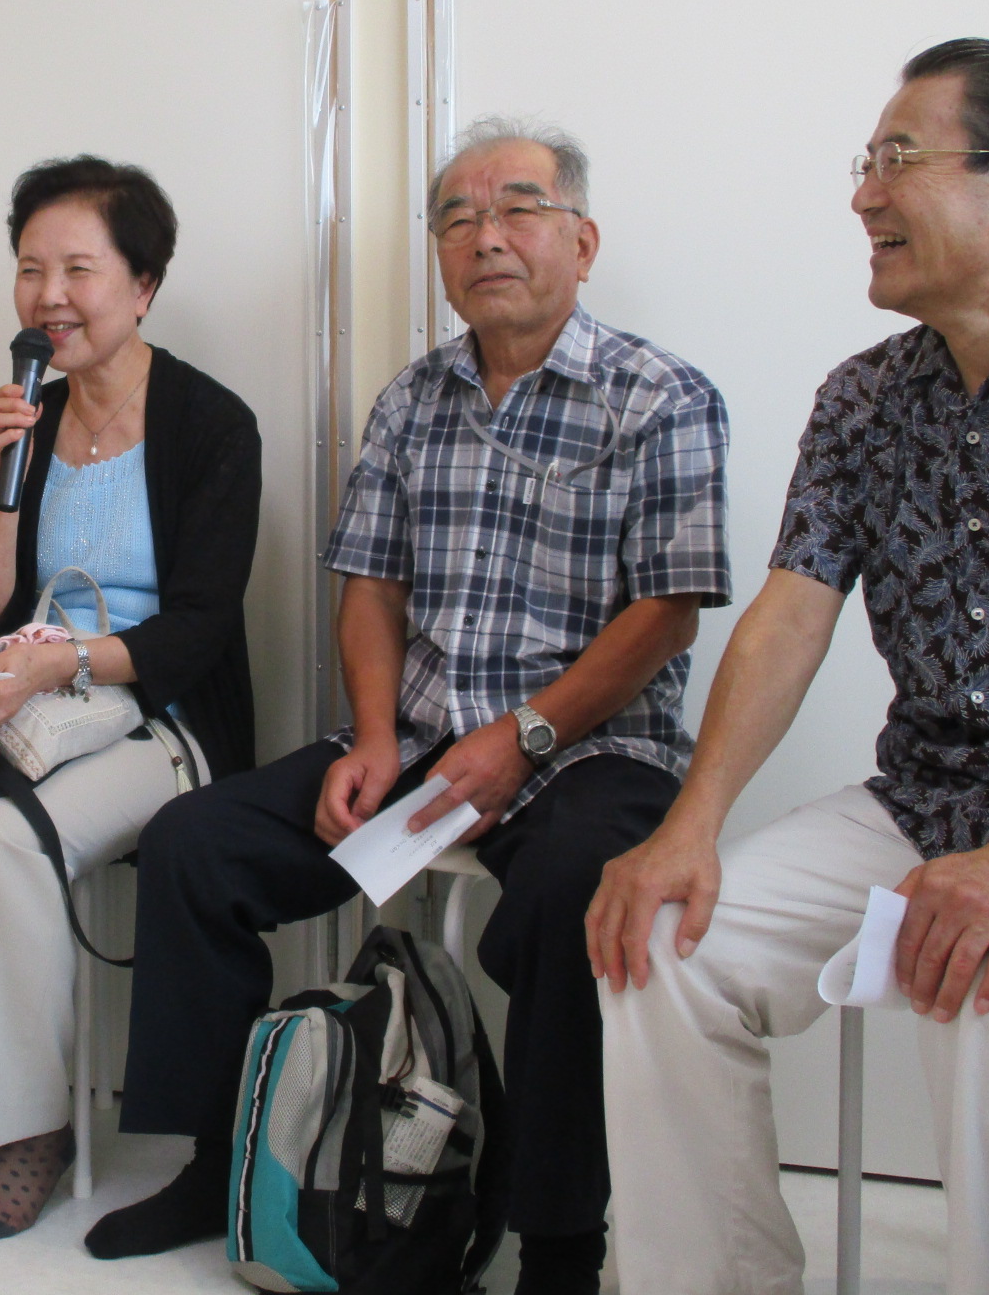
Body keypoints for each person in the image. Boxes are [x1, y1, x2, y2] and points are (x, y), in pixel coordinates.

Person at [90, 118, 731, 1295]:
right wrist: (378, 737)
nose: (486, 237)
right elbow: (370, 588)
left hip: (591, 749)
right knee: (192, 843)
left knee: (567, 895)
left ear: (581, 241)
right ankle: (216, 1163)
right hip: (424, 737)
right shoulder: (410, 399)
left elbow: (666, 614)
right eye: (456, 218)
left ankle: (557, 1243)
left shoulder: (660, 396)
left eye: (518, 208)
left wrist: (523, 737)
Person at [588, 39, 989, 1295]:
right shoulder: (863, 399)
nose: (860, 195)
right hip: (926, 797)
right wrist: (690, 825)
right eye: (864, 160)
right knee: (662, 939)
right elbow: (788, 615)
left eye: (897, 158)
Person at [0, 156, 261, 1241]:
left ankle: (28, 1129)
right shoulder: (26, 413)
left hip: (158, 719)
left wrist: (61, 663)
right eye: (31, 269)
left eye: (79, 269)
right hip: (29, 704)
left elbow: (201, 627)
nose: (49, 296)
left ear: (143, 286)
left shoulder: (213, 425)